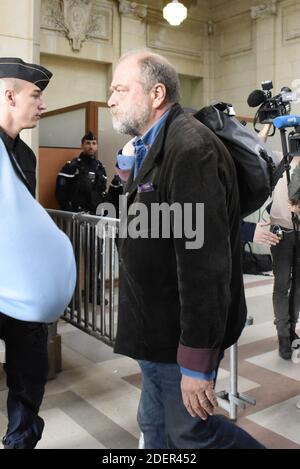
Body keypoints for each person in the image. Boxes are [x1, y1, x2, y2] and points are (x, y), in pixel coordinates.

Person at [107, 50, 264, 449]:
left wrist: (195, 360)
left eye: (120, 90)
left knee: (194, 434)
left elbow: (204, 266)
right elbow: (155, 220)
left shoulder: (190, 148)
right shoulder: (155, 142)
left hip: (179, 335)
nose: (111, 99)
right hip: (155, 328)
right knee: (154, 425)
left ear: (156, 93)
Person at [0, 57, 76, 449]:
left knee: (29, 373)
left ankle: (20, 440)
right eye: (36, 95)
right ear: (9, 96)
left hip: (22, 292)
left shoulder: (25, 156)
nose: (42, 104)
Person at [258, 124, 300, 359]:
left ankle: (292, 329)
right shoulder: (280, 158)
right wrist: (269, 123)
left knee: (299, 285)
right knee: (282, 283)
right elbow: (256, 148)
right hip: (281, 231)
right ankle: (282, 335)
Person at [55, 131, 107, 214]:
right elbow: (60, 191)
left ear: (97, 147)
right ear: (82, 146)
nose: (91, 146)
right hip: (77, 215)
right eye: (88, 143)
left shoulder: (100, 168)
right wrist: (69, 211)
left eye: (94, 143)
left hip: (96, 214)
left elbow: (102, 191)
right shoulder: (73, 166)